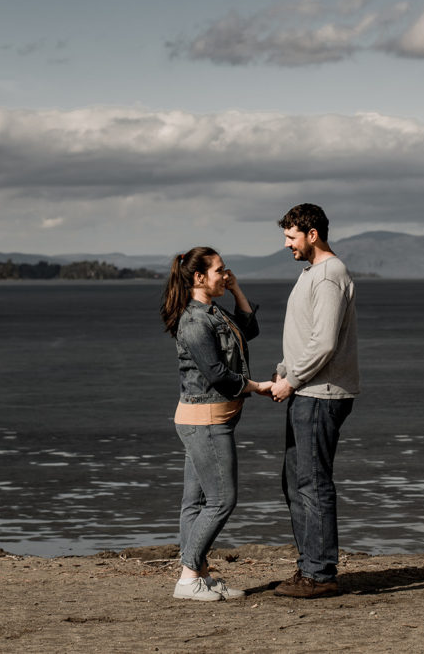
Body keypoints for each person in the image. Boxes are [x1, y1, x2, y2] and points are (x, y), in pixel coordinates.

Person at [160, 246, 272, 602]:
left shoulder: (213, 311)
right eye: (220, 270)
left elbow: (249, 329)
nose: (225, 274)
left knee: (194, 502)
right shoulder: (193, 322)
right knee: (222, 499)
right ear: (198, 277)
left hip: (209, 420)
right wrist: (258, 387)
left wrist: (236, 289)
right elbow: (219, 376)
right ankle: (189, 576)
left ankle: (197, 575)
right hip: (205, 422)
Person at [270, 204, 360, 599]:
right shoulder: (314, 274)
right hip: (307, 389)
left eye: (291, 237)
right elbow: (306, 335)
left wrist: (292, 379)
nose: (287, 244)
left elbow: (323, 343)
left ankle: (320, 575)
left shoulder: (328, 275)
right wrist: (283, 370)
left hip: (318, 394)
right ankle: (310, 566)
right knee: (295, 481)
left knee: (312, 483)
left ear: (312, 234)